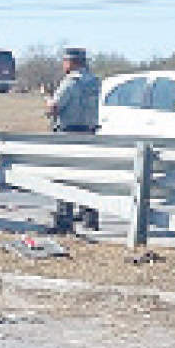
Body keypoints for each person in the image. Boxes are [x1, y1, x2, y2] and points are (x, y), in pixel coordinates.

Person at [45, 46, 101, 233]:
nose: (63, 65)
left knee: (64, 176)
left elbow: (54, 107)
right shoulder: (95, 82)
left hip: (68, 133)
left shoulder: (70, 82)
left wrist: (48, 103)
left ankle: (64, 218)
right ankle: (90, 217)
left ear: (72, 62)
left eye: (65, 61)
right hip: (90, 132)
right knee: (87, 176)